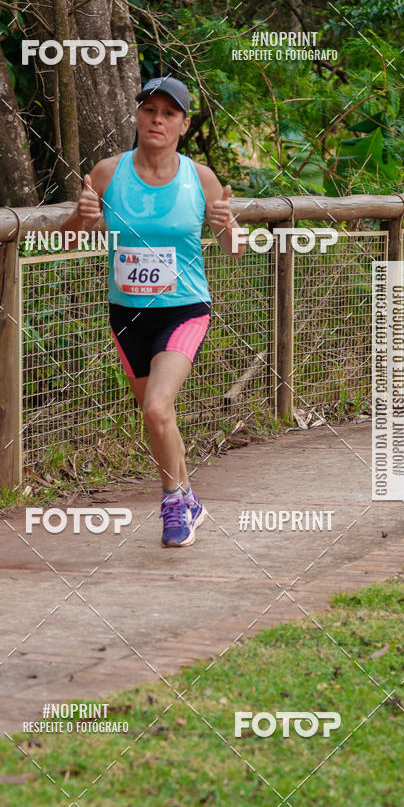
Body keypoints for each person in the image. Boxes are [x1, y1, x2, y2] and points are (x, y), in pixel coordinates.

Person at [66, 76, 245, 545]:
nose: (157, 120)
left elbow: (234, 249)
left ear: (183, 125)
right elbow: (68, 238)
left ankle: (171, 506)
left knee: (156, 407)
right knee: (156, 416)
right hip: (126, 313)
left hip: (184, 309)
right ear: (138, 117)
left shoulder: (199, 177)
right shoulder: (108, 173)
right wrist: (82, 217)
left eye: (169, 114)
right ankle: (189, 497)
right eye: (150, 111)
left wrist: (226, 225)